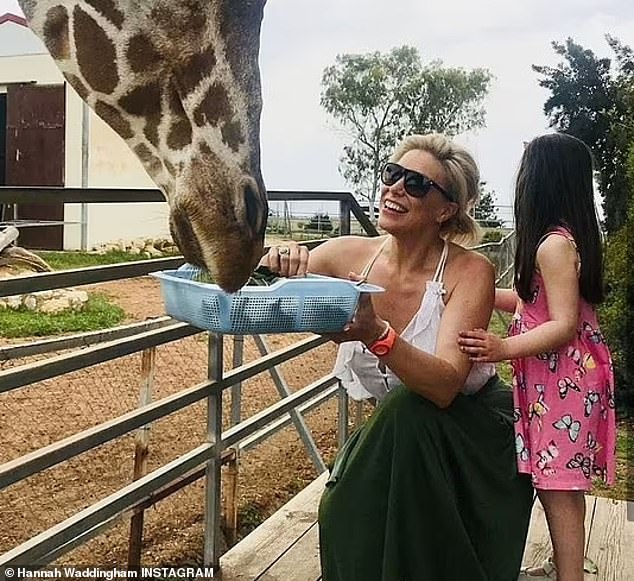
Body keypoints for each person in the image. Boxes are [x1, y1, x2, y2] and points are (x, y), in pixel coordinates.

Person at [262, 133, 533, 581]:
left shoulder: (470, 272)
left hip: (469, 433)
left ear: (446, 209)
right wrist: (280, 258)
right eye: (392, 174)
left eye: (416, 184)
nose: (395, 188)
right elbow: (263, 282)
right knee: (345, 508)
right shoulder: (348, 255)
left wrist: (375, 333)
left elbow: (445, 387)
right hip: (399, 438)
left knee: (402, 416)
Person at [458, 133, 616, 581]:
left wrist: (502, 347)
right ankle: (566, 567)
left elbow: (562, 323)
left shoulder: (553, 245)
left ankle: (570, 576)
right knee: (559, 483)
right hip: (564, 382)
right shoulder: (565, 239)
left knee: (558, 487)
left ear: (540, 179)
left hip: (563, 382)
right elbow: (536, 306)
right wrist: (481, 291)